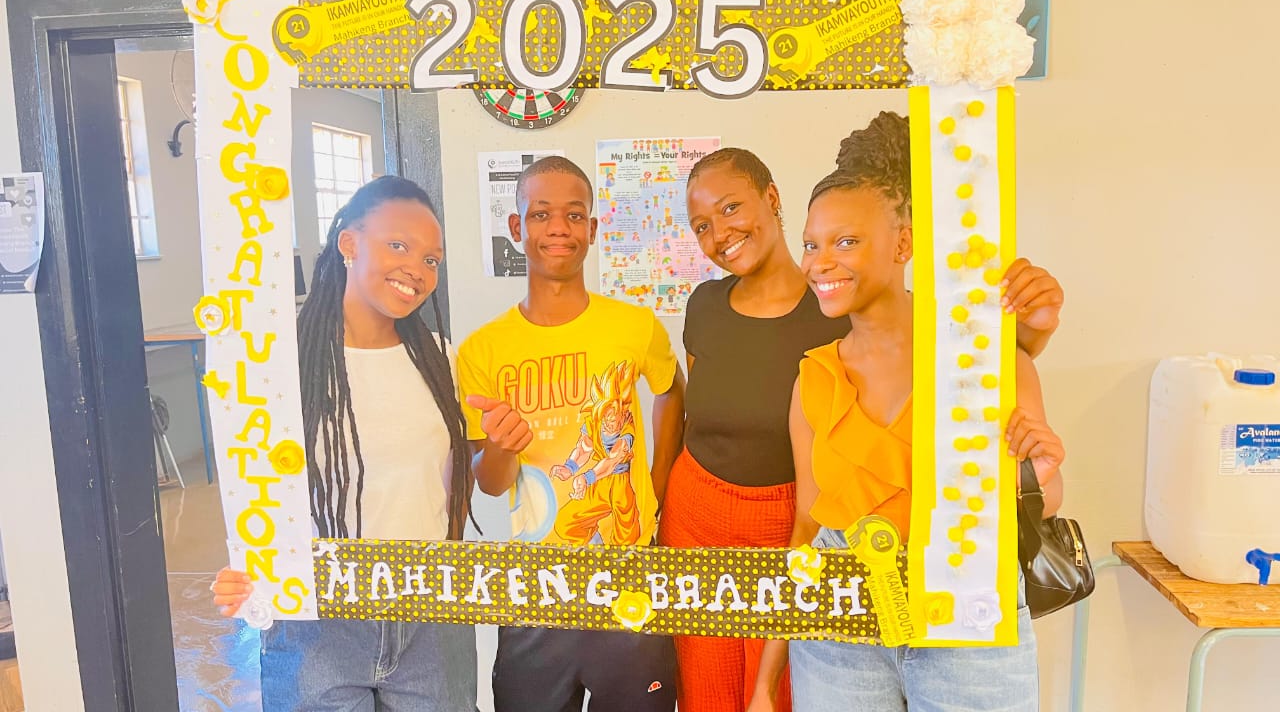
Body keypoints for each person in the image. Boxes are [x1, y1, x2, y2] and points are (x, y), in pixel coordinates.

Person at [659, 145, 1064, 711]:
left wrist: (1036, 473)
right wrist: (763, 686)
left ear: (904, 243)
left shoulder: (983, 356)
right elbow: (808, 526)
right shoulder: (815, 376)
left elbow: (1037, 497)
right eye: (813, 244)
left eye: (845, 241)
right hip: (834, 622)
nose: (821, 262)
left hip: (964, 620)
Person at [210, 176, 478, 711]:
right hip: (315, 619)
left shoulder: (442, 360)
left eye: (432, 260)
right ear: (349, 243)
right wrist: (246, 567)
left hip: (429, 610)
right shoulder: (279, 364)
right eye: (398, 245)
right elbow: (254, 487)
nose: (417, 270)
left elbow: (451, 485)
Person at [456, 156, 685, 712]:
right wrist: (503, 450)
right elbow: (488, 485)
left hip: (629, 572)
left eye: (573, 215)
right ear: (517, 229)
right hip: (537, 584)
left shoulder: (635, 326)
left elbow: (671, 390)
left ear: (592, 230)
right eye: (540, 214)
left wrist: (657, 486)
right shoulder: (481, 350)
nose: (558, 227)